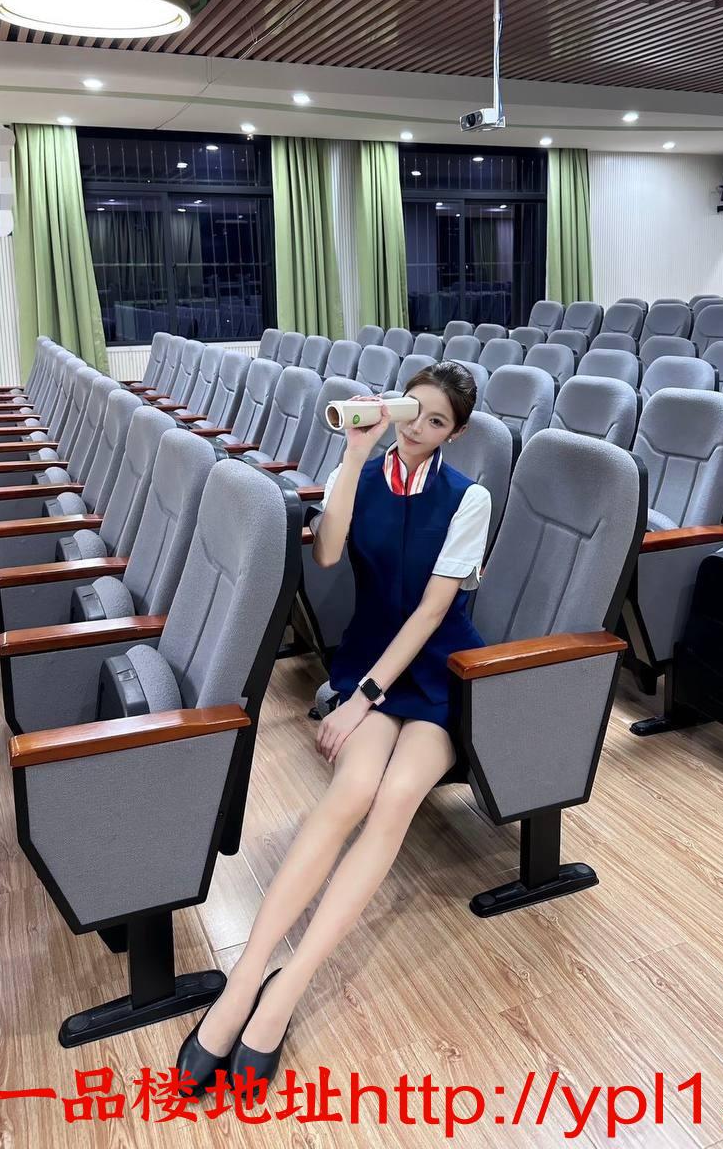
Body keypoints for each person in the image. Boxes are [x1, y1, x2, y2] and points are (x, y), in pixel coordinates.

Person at [176, 360, 492, 1095]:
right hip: (367, 663)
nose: (418, 429)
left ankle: (286, 989)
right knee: (349, 794)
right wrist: (353, 455)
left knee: (395, 798)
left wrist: (363, 699)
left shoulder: (467, 497)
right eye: (412, 411)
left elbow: (433, 612)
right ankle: (244, 982)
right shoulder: (366, 472)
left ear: (456, 433)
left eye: (437, 422)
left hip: (437, 671)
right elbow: (324, 553)